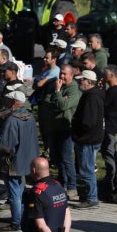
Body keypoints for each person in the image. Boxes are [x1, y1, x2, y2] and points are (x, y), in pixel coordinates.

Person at [0, 91, 39, 232]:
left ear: (14, 102)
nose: (7, 102)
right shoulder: (31, 117)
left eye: (9, 100)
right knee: (20, 190)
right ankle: (22, 218)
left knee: (14, 193)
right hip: (28, 159)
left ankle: (16, 223)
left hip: (13, 162)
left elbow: (6, 146)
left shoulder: (12, 120)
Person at [41, 63, 80, 197]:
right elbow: (46, 101)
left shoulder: (74, 89)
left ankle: (72, 186)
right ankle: (62, 184)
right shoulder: (55, 85)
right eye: (61, 73)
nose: (62, 76)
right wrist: (58, 99)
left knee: (66, 158)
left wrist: (57, 95)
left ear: (71, 75)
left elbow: (64, 106)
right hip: (54, 126)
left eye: (65, 74)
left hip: (66, 128)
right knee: (57, 158)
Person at [71, 70, 105, 208]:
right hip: (91, 138)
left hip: (87, 140)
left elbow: (88, 122)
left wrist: (77, 131)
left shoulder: (91, 98)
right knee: (87, 168)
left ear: (89, 82)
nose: (80, 82)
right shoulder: (93, 95)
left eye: (82, 80)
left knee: (86, 170)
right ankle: (88, 195)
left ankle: (91, 198)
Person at [101, 66, 117, 198]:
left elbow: (102, 104)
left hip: (110, 127)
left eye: (105, 75)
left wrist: (100, 88)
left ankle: (111, 181)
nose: (103, 78)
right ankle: (111, 178)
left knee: (109, 154)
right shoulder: (114, 90)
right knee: (109, 153)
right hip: (111, 126)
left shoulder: (114, 91)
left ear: (111, 76)